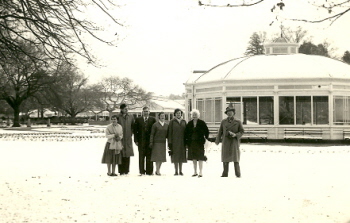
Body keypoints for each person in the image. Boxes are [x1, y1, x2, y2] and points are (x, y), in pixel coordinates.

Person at [215, 103, 244, 177]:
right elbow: (220, 131)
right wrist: (217, 140)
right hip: (226, 141)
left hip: (234, 142)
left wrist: (236, 135)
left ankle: (238, 174)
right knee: (225, 158)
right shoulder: (223, 121)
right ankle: (225, 173)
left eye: (231, 112)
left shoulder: (238, 122)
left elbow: (242, 131)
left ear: (233, 113)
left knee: (235, 158)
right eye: (228, 112)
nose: (229, 113)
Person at [185, 109, 209, 178]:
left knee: (200, 157)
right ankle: (195, 172)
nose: (194, 116)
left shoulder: (202, 123)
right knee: (194, 157)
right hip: (192, 142)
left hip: (199, 143)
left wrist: (206, 138)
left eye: (196, 115)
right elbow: (186, 133)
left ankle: (200, 172)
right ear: (191, 116)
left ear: (198, 115)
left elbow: (206, 131)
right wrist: (187, 141)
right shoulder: (189, 123)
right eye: (193, 115)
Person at [134, 106, 156, 175]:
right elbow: (135, 131)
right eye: (144, 111)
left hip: (149, 141)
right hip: (141, 141)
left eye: (147, 111)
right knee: (141, 157)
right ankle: (142, 171)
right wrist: (136, 140)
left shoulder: (153, 119)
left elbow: (155, 131)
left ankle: (149, 171)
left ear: (149, 112)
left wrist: (153, 141)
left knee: (149, 157)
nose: (146, 113)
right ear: (142, 112)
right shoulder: (138, 120)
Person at [168, 108, 187, 176]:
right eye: (177, 113)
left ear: (181, 114)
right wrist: (169, 142)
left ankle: (181, 171)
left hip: (182, 141)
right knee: (175, 156)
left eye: (179, 113)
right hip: (174, 141)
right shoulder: (172, 121)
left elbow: (186, 132)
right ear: (175, 114)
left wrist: (186, 141)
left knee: (181, 156)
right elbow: (169, 132)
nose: (178, 114)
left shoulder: (184, 121)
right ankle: (176, 171)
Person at [117, 103, 135, 175]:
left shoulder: (130, 117)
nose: (126, 110)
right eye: (125, 108)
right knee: (120, 154)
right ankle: (121, 170)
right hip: (120, 138)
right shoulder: (118, 117)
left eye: (127, 108)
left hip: (128, 138)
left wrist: (131, 133)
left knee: (127, 154)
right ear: (121, 109)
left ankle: (126, 170)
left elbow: (133, 126)